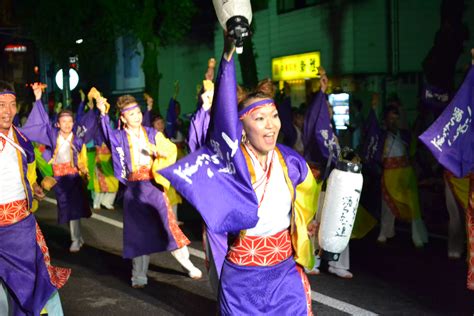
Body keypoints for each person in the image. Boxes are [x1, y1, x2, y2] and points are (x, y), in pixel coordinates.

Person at [160, 34, 321, 315]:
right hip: (242, 277)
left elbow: (307, 200)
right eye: (260, 119)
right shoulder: (229, 165)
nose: (271, 126)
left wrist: (312, 225)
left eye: (274, 116)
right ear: (241, 127)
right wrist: (226, 58)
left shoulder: (291, 161)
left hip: (284, 271)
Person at [95, 94, 202, 288]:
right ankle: (139, 276)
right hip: (134, 189)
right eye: (131, 113)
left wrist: (161, 152)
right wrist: (103, 114)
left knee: (169, 227)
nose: (136, 116)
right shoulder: (118, 137)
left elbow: (170, 149)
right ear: (122, 118)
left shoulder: (152, 133)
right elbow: (105, 134)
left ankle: (188, 264)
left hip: (153, 186)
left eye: (138, 112)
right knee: (138, 234)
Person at [0, 81, 71, 315]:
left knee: (38, 286)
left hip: (21, 227)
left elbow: (28, 177)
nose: (7, 111)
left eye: (11, 105)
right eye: (1, 105)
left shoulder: (22, 141)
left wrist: (36, 188)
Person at [21, 83, 97, 253]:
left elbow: (90, 124)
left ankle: (75, 239)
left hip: (74, 176)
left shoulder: (77, 137)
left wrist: (92, 107)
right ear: (58, 124)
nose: (67, 124)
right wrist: (38, 97)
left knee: (74, 206)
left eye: (70, 121)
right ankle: (77, 237)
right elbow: (43, 121)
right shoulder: (53, 134)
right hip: (59, 177)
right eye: (64, 121)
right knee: (66, 206)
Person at [377, 106, 428, 247]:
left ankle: (418, 237)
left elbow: (412, 150)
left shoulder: (405, 135)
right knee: (387, 204)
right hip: (389, 173)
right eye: (391, 118)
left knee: (413, 204)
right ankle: (385, 232)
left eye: (396, 118)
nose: (394, 121)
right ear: (386, 119)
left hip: (405, 173)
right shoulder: (381, 136)